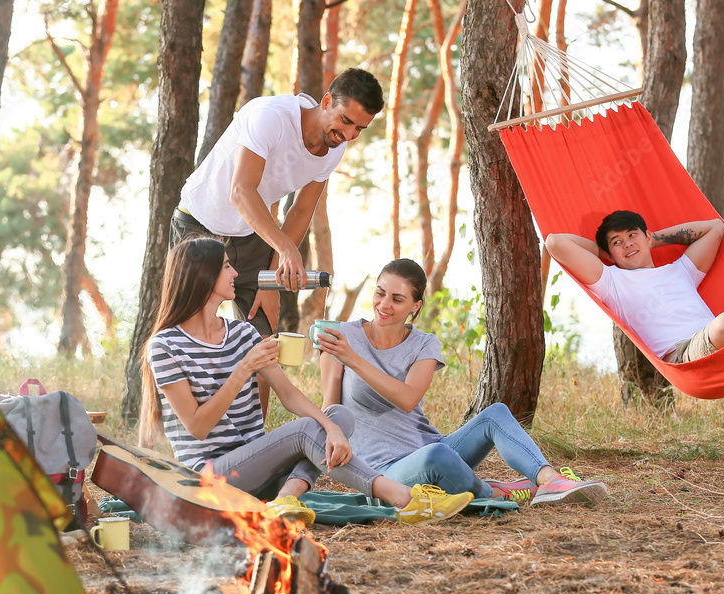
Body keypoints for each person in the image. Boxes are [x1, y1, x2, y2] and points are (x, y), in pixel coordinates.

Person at [141, 238, 473, 527]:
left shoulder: (241, 332)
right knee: (305, 431)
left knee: (338, 416)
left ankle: (285, 500)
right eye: (227, 267)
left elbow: (288, 394)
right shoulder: (166, 346)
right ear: (204, 276)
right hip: (211, 478)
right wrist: (243, 370)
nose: (235, 274)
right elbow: (198, 427)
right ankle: (407, 500)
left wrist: (331, 428)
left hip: (260, 470)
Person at [172, 68, 384, 415]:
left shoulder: (334, 148)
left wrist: (272, 282)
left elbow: (301, 212)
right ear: (327, 101)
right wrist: (285, 249)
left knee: (264, 338)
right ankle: (170, 429)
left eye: (359, 128)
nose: (348, 135)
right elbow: (240, 192)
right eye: (345, 121)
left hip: (254, 234)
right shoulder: (270, 117)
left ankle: (254, 437)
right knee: (185, 334)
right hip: (199, 223)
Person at [316, 258, 608, 506]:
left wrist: (353, 360)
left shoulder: (424, 344)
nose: (384, 304)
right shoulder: (341, 337)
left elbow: (407, 399)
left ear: (415, 307)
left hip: (435, 447)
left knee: (495, 413)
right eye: (380, 293)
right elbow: (330, 412)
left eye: (397, 299)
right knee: (436, 457)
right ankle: (495, 492)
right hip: (384, 471)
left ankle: (551, 481)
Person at [544, 211, 724, 364]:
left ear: (646, 236)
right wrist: (605, 253)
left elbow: (715, 228)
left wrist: (653, 240)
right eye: (617, 242)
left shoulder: (681, 271)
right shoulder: (612, 282)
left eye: (632, 235)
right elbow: (554, 242)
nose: (627, 244)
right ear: (609, 254)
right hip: (685, 356)